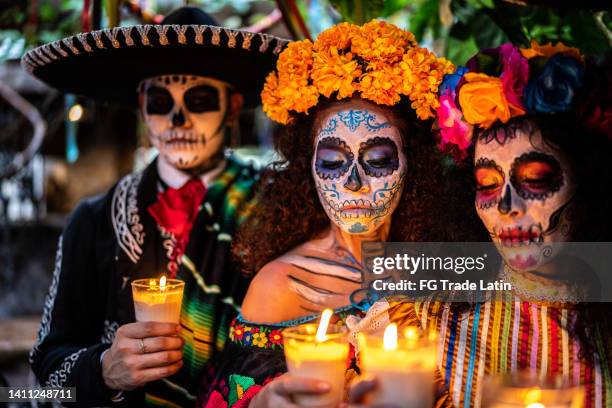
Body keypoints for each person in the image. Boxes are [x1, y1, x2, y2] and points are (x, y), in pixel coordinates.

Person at [196, 20, 477, 408]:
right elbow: (225, 399)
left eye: (378, 160)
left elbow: (576, 274)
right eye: (332, 162)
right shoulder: (282, 284)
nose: (354, 183)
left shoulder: (447, 258)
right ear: (307, 168)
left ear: (414, 165)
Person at [22, 7, 287, 407]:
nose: (177, 120)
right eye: (161, 101)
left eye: (198, 100)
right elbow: (42, 376)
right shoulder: (94, 220)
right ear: (143, 106)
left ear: (232, 107)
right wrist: (104, 369)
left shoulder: (278, 208)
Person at [350, 42, 612, 407]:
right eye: (487, 184)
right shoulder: (422, 318)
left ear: (592, 182)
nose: (505, 206)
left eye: (535, 180)